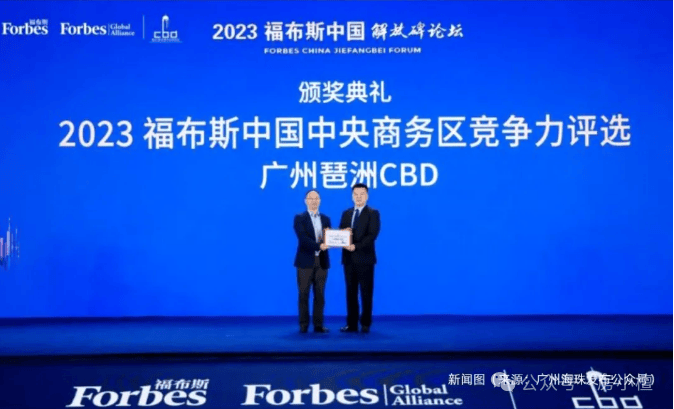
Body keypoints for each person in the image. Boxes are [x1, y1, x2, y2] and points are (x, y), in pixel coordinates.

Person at [339, 183, 380, 333]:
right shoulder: (346, 213)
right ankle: (351, 324)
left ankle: (366, 323)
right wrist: (342, 235)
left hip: (365, 259)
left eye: (362, 194)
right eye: (355, 194)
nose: (358, 197)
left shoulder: (373, 213)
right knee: (350, 293)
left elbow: (372, 235)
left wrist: (355, 246)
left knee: (366, 293)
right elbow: (340, 233)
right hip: (348, 260)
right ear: (352, 196)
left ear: (367, 196)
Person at [293, 189, 331, 333]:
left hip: (322, 261)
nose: (314, 201)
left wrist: (339, 238)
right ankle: (303, 325)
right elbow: (303, 238)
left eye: (316, 198)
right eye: (311, 198)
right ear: (305, 201)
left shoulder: (326, 219)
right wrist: (319, 246)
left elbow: (330, 237)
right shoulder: (299, 218)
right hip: (305, 262)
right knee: (303, 294)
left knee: (320, 295)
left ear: (320, 201)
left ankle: (318, 325)